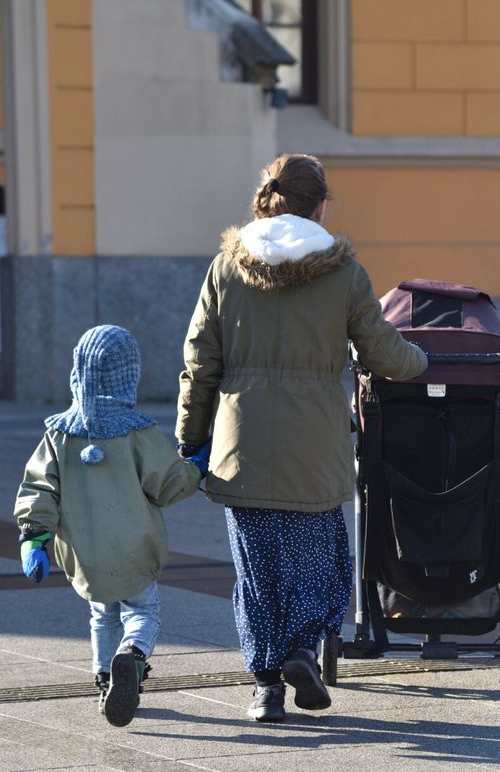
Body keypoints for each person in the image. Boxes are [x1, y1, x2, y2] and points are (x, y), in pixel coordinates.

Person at [176, 153, 427, 723]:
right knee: (320, 561)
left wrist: (191, 439)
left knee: (257, 570)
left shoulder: (226, 268)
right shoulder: (342, 271)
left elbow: (199, 362)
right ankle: (301, 649)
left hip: (240, 445)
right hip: (315, 444)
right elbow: (383, 353)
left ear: (265, 198)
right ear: (319, 205)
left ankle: (266, 688)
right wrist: (422, 360)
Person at [14, 325, 211, 728]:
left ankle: (105, 678)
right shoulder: (137, 432)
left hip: (85, 554)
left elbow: (39, 487)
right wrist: (196, 466)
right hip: (134, 548)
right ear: (128, 373)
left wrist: (34, 538)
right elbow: (167, 485)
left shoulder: (58, 433)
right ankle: (134, 658)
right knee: (143, 612)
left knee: (101, 614)